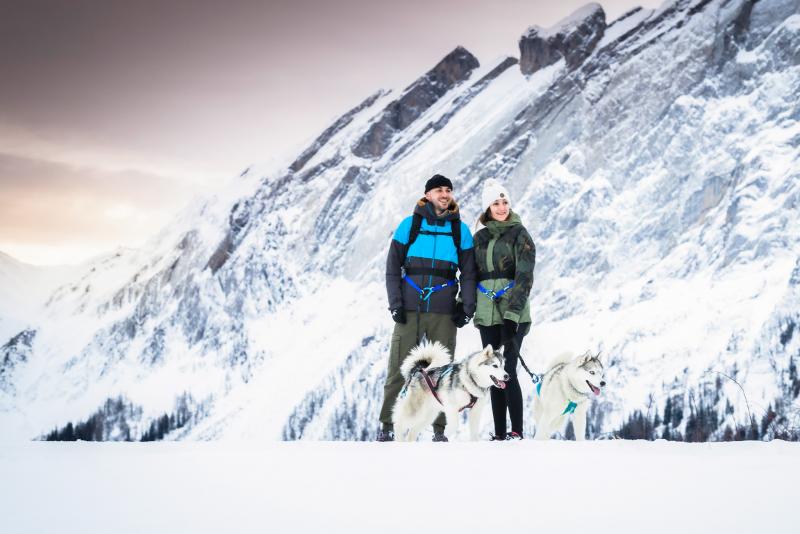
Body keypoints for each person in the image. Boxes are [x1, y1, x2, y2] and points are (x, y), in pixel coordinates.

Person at [377, 174, 477, 442]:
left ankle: (440, 430)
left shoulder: (461, 231)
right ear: (427, 195)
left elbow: (469, 274)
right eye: (438, 190)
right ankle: (387, 426)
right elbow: (391, 269)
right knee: (398, 368)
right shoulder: (409, 226)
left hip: (444, 312)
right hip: (408, 310)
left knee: (444, 373)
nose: (444, 194)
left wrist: (466, 307)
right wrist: (395, 304)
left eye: (448, 190)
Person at [472, 178, 535, 440]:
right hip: (486, 312)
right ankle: (499, 434)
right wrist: (461, 305)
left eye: (505, 202)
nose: (501, 207)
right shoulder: (480, 237)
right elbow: (471, 274)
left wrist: (512, 315)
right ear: (487, 207)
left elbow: (525, 276)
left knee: (507, 366)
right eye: (496, 203)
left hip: (513, 312)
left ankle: (517, 431)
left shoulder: (520, 234)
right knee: (493, 371)